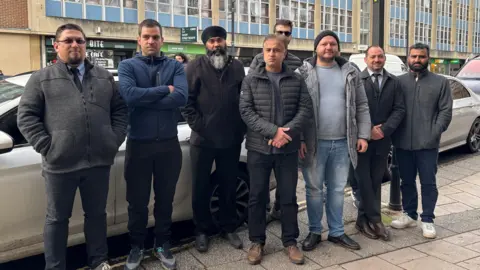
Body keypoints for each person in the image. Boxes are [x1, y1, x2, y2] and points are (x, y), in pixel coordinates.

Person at [17, 23, 127, 270]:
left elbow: (119, 110)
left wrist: (113, 139)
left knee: (97, 216)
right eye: (68, 41)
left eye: (79, 40)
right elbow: (26, 117)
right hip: (60, 165)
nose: (75, 45)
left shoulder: (103, 76)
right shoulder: (41, 79)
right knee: (57, 219)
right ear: (56, 46)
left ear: (86, 45)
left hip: (98, 162)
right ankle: (55, 267)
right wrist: (48, 146)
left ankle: (99, 261)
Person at [118, 19, 188, 270]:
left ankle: (162, 244)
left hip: (169, 146)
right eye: (146, 37)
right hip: (139, 145)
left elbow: (181, 97)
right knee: (136, 202)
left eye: (155, 37)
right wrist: (163, 91)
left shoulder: (175, 66)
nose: (151, 41)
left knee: (165, 200)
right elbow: (129, 96)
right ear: (138, 39)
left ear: (162, 40)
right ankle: (136, 247)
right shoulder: (127, 65)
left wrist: (145, 97)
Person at [240, 34, 312, 265]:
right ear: (262, 52)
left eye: (276, 50)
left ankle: (290, 242)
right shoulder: (251, 79)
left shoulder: (296, 79)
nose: (271, 54)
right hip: (259, 148)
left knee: (289, 197)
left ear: (284, 53)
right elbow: (246, 111)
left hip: (287, 150)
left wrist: (287, 134)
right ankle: (256, 241)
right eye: (267, 50)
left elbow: (305, 109)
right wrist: (273, 132)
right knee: (257, 196)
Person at [296, 30, 371, 251]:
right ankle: (315, 231)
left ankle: (337, 232)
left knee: (337, 189)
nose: (328, 47)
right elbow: (295, 108)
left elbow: (362, 105)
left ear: (337, 48)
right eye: (324, 44)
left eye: (332, 44)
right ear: (316, 48)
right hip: (313, 143)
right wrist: (300, 138)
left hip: (342, 142)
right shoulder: (302, 72)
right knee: (314, 189)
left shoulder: (350, 72)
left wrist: (363, 135)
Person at [181, 25, 246, 252]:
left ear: (225, 42)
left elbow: (244, 100)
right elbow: (186, 103)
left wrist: (241, 128)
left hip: (231, 139)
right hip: (203, 140)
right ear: (205, 45)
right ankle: (202, 230)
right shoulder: (193, 67)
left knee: (228, 184)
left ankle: (229, 227)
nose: (216, 45)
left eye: (219, 40)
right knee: (200, 186)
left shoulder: (237, 67)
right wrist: (200, 126)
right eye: (212, 41)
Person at [390, 43, 453, 239]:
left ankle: (427, 219)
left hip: (427, 144)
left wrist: (434, 132)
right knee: (406, 181)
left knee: (428, 182)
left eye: (421, 57)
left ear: (428, 58)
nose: (417, 60)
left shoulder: (440, 82)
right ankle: (409, 214)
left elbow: (445, 111)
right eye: (414, 56)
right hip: (402, 143)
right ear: (408, 58)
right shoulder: (398, 82)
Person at [248, 19, 303, 222]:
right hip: (263, 137)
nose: (283, 36)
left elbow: (302, 103)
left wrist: (291, 134)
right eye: (279, 32)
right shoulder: (258, 60)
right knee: (259, 190)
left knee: (287, 189)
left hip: (289, 137)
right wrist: (271, 131)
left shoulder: (298, 63)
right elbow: (253, 97)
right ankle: (262, 222)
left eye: (287, 33)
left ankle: (281, 214)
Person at [354, 46, 405, 241]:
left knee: (375, 180)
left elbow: (399, 110)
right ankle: (375, 220)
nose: (377, 60)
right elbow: (351, 110)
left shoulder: (394, 82)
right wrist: (367, 131)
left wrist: (383, 131)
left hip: (382, 141)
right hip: (361, 141)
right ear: (365, 59)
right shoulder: (356, 80)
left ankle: (362, 220)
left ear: (384, 59)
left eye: (380, 56)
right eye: (373, 56)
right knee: (363, 181)